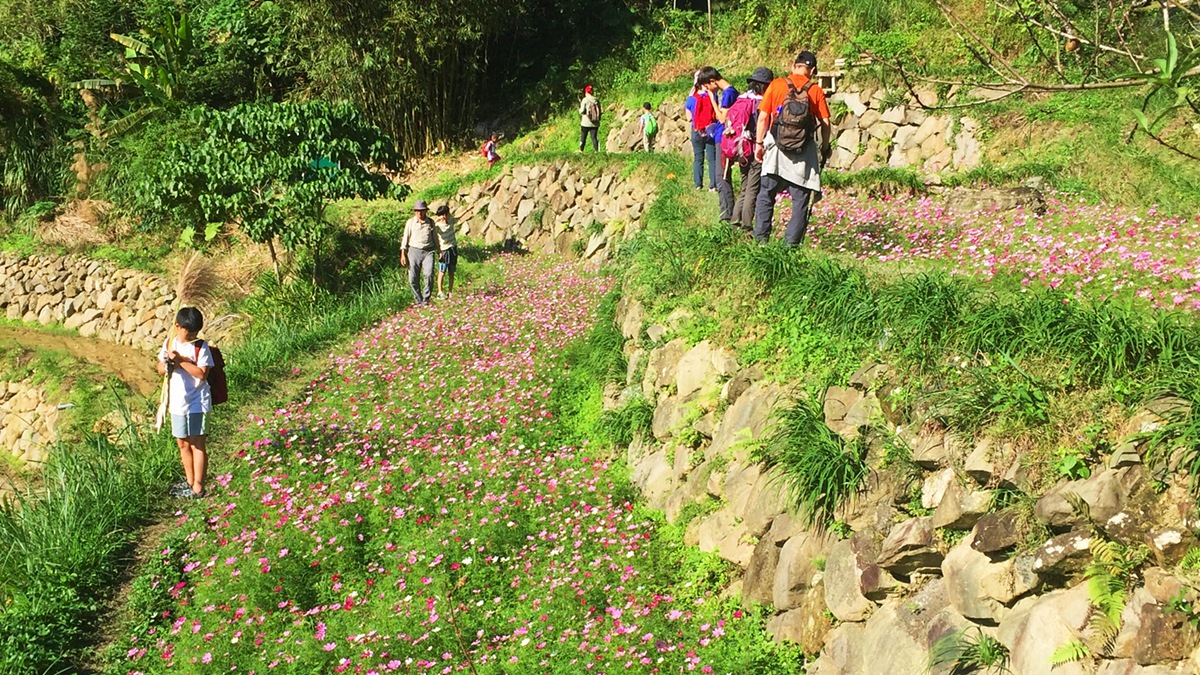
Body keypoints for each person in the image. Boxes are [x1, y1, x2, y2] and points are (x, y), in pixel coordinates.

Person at [753, 51, 832, 247]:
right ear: (812, 70)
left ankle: (761, 241)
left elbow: (763, 118)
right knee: (800, 200)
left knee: (766, 194)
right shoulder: (815, 91)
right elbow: (825, 122)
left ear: (793, 65)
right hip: (802, 152)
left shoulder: (777, 84)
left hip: (776, 149)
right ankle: (791, 247)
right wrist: (824, 146)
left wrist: (759, 144)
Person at [157, 307, 214, 499]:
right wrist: (167, 362)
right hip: (177, 403)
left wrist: (180, 361)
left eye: (195, 333)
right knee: (182, 443)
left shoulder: (200, 347)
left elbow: (202, 374)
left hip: (198, 402)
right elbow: (158, 368)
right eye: (188, 332)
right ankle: (189, 482)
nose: (191, 336)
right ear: (178, 327)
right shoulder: (170, 342)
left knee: (197, 443)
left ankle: (199, 486)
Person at [729, 67, 774, 230]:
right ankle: (747, 225)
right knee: (753, 188)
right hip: (755, 147)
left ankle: (735, 219)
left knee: (744, 185)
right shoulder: (761, 102)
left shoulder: (742, 99)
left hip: (741, 148)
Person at [698, 66, 740, 221]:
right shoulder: (729, 92)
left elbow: (722, 118)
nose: (708, 89)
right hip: (721, 138)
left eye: (707, 86)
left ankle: (727, 214)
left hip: (724, 139)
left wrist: (711, 99)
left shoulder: (729, 93)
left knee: (721, 177)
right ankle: (726, 212)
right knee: (720, 176)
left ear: (712, 81)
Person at [400, 200, 438, 305]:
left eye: (421, 211)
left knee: (429, 274)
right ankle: (418, 300)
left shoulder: (430, 222)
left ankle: (426, 299)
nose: (419, 213)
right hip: (414, 251)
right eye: (417, 211)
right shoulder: (410, 222)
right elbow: (405, 238)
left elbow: (435, 237)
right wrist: (403, 253)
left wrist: (439, 251)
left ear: (425, 211)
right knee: (413, 277)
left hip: (428, 251)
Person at [689, 69, 719, 191]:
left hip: (697, 130)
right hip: (710, 129)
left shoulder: (692, 98)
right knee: (712, 159)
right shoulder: (713, 95)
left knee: (698, 158)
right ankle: (713, 185)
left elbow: (688, 117)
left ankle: (698, 185)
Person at [433, 203, 458, 300]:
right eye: (441, 215)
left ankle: (450, 292)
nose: (444, 217)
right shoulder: (437, 226)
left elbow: (459, 218)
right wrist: (437, 220)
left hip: (453, 248)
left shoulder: (451, 221)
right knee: (442, 271)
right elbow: (431, 229)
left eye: (445, 214)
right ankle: (440, 292)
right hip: (444, 250)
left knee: (451, 271)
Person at [579, 85, 601, 153]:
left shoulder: (585, 100)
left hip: (585, 122)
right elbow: (600, 110)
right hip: (595, 123)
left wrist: (579, 110)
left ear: (586, 92)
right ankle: (596, 151)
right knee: (594, 137)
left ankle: (581, 150)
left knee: (583, 137)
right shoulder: (596, 100)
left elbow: (582, 111)